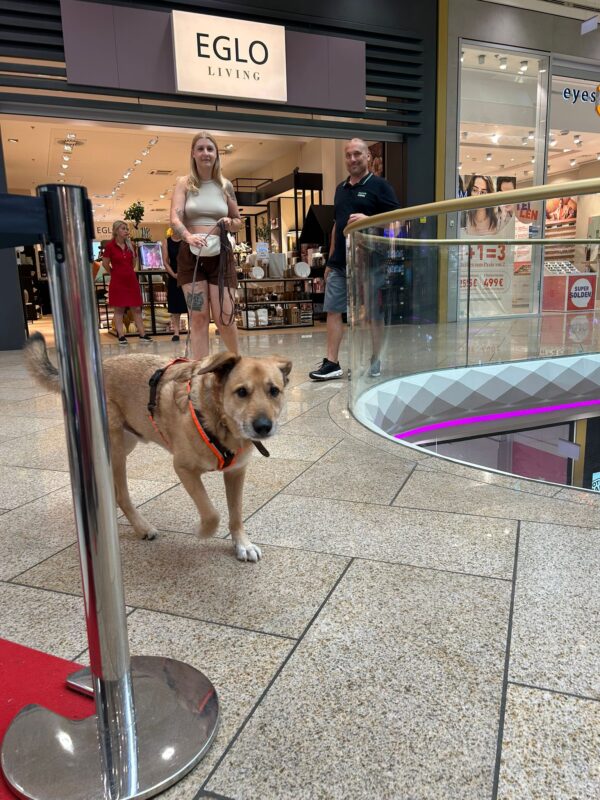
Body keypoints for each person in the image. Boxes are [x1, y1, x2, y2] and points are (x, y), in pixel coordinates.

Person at [309, 138, 400, 380]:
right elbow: (337, 226)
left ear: (368, 156)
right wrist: (330, 260)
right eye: (348, 155)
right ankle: (332, 363)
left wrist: (369, 221)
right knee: (333, 310)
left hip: (371, 261)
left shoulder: (381, 186)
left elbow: (397, 223)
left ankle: (375, 359)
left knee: (373, 313)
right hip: (340, 263)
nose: (352, 159)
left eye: (357, 154)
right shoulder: (340, 189)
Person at [170, 131, 242, 359]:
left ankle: (237, 363)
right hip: (191, 256)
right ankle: (201, 370)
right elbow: (175, 218)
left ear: (216, 154)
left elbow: (238, 222)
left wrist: (229, 222)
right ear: (193, 153)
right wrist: (187, 236)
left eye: (210, 149)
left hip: (221, 254)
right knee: (198, 317)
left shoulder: (225, 185)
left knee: (225, 316)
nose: (205, 153)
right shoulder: (184, 183)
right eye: (200, 148)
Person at [102, 221, 152, 345]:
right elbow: (105, 263)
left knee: (136, 308)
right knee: (119, 309)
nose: (126, 231)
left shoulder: (131, 245)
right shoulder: (110, 246)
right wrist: (114, 273)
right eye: (123, 228)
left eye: (126, 229)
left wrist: (127, 271)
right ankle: (121, 336)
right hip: (117, 281)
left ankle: (142, 334)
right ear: (116, 231)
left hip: (131, 280)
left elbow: (133, 263)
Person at [161, 232, 187, 342]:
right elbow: (165, 261)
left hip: (187, 273)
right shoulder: (166, 242)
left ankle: (192, 330)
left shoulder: (186, 239)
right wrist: (173, 274)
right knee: (175, 305)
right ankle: (176, 332)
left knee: (190, 303)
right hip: (174, 275)